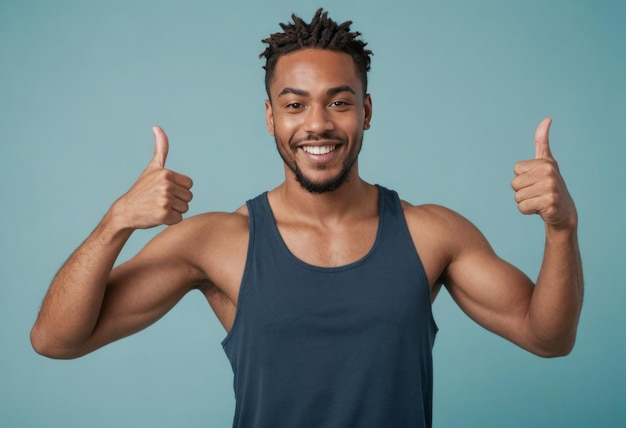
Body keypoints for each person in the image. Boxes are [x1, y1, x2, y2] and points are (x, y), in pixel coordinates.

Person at [31, 8, 583, 428]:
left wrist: (562, 230)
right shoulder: (218, 242)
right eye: (295, 105)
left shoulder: (432, 233)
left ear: (366, 111)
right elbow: (56, 340)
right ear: (271, 117)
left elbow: (547, 337)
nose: (317, 123)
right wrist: (115, 223)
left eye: (339, 102)